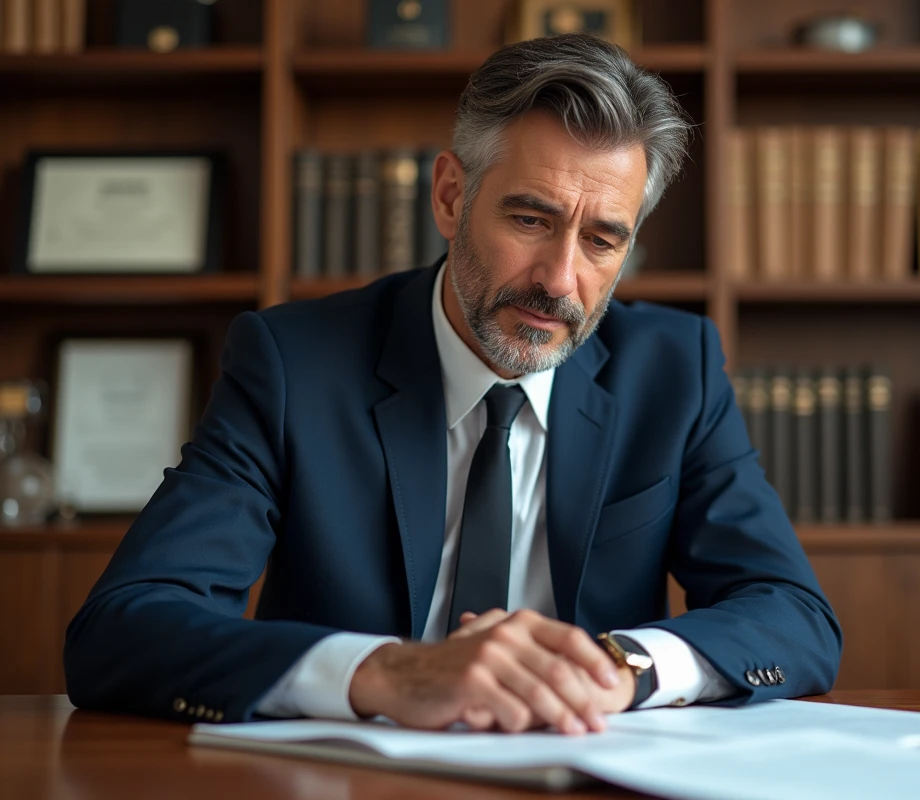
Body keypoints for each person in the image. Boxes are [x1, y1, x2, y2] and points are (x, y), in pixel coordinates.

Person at [64, 33, 841, 736]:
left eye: (603, 239)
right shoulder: (293, 363)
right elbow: (124, 628)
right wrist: (384, 672)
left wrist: (619, 669)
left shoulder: (675, 368)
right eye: (530, 220)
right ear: (449, 196)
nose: (559, 281)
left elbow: (794, 616)